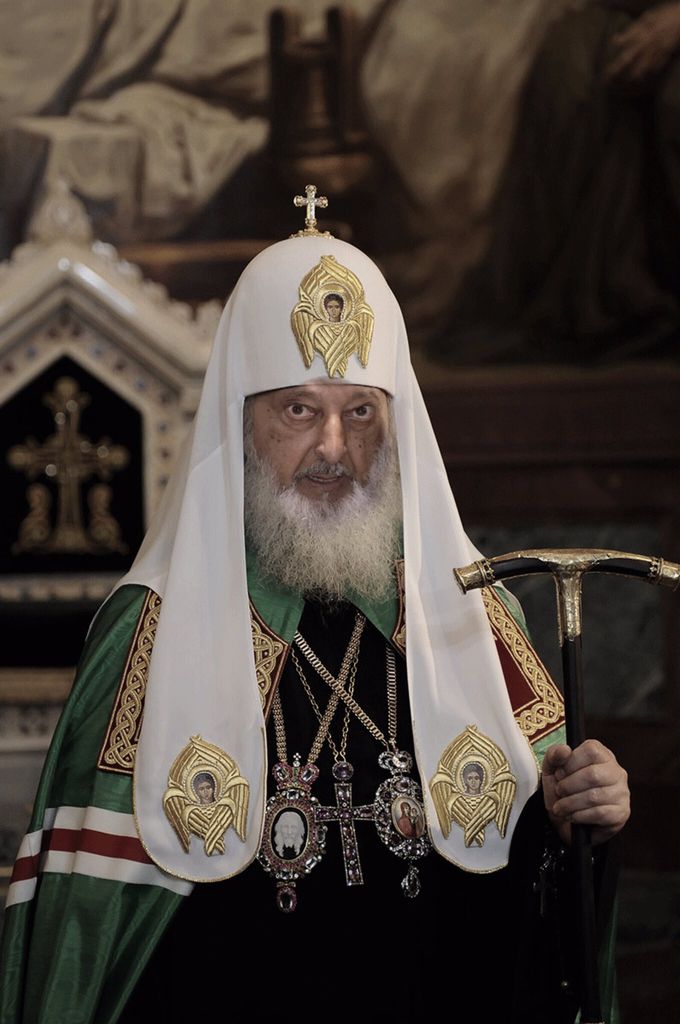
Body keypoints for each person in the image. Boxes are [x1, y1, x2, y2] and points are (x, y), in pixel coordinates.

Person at [0, 199, 629, 1023]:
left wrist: (583, 819)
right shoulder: (148, 634)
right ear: (242, 423)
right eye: (299, 410)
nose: (334, 448)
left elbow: (538, 904)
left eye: (360, 412)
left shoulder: (477, 622)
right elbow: (86, 935)